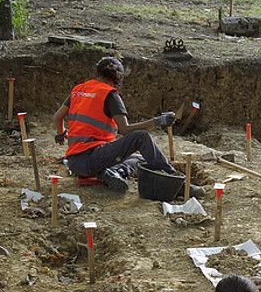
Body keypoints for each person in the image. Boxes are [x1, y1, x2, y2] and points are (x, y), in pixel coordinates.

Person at [50, 56, 184, 194]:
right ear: (118, 77)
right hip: (93, 158)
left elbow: (57, 117)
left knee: (139, 159)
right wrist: (158, 121)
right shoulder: (109, 94)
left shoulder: (78, 89)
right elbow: (125, 130)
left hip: (74, 163)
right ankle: (175, 182)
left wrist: (60, 133)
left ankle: (110, 173)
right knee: (141, 137)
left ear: (98, 71)